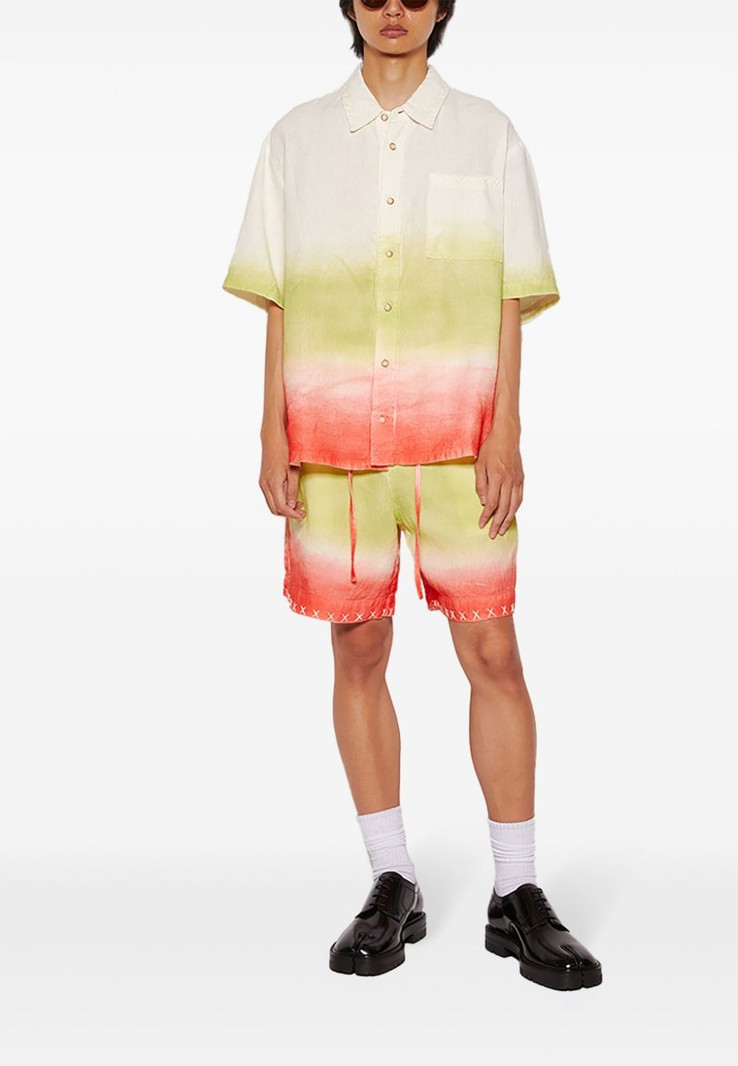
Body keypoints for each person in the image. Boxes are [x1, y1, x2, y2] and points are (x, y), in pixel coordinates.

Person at [221, 0, 602, 991]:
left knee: (492, 650)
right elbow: (279, 294)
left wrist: (506, 429)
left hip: (457, 441)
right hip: (333, 438)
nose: (395, 8)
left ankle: (516, 891)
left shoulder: (488, 133)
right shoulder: (297, 139)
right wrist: (271, 428)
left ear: (442, 6)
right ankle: (392, 878)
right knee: (357, 647)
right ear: (349, 4)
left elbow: (512, 293)